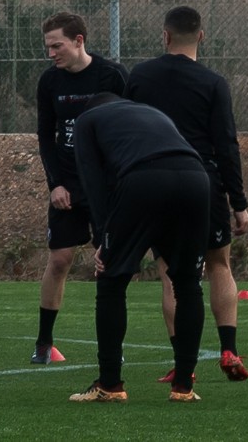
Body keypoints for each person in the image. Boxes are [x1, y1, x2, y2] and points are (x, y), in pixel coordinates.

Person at [125, 5, 248, 384]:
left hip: (154, 181)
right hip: (203, 181)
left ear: (164, 36)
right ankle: (228, 348)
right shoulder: (214, 83)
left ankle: (185, 366)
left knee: (170, 275)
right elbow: (226, 145)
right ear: (201, 36)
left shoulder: (140, 77)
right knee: (219, 266)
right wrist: (239, 203)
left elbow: (127, 128)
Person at [64, 98, 215, 404]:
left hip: (144, 179)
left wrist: (103, 241)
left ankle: (110, 384)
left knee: (111, 280)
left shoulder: (85, 121)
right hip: (196, 178)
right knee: (188, 284)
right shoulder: (154, 111)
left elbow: (91, 182)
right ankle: (183, 387)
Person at [34, 10, 127, 365]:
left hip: (105, 186)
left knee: (110, 262)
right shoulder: (49, 82)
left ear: (79, 41)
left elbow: (129, 128)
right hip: (68, 187)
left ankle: (109, 347)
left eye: (56, 46)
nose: (51, 53)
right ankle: (43, 342)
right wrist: (55, 184)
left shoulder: (113, 75)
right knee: (59, 259)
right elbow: (45, 136)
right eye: (47, 47)